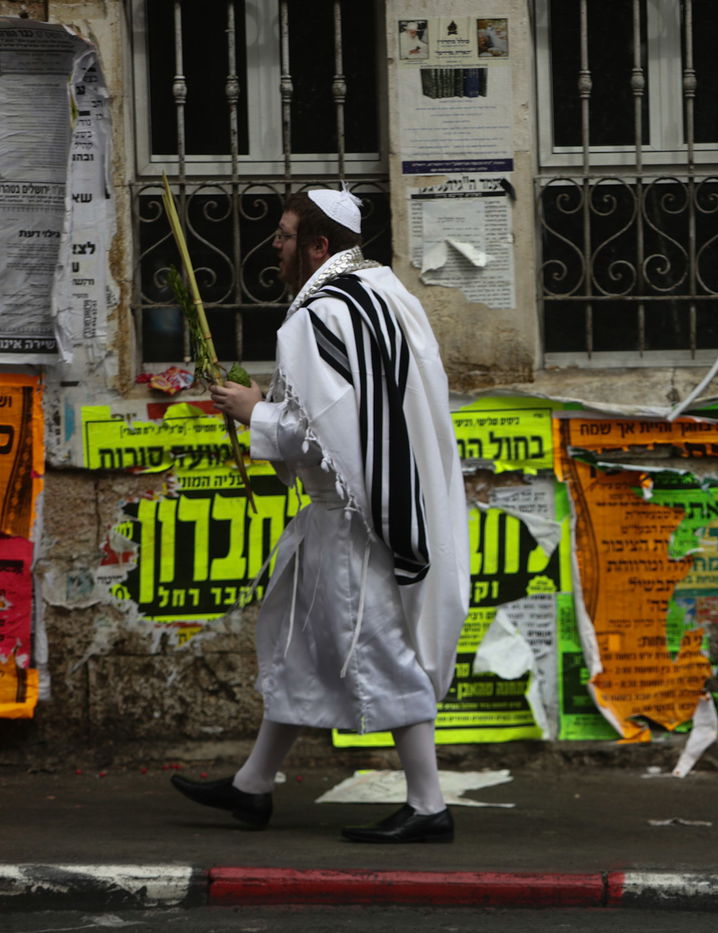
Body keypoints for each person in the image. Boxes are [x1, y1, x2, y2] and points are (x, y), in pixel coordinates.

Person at [172, 188, 471, 844]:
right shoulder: (384, 294)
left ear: (318, 245)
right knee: (300, 649)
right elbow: (363, 414)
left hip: (355, 521)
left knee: (384, 651)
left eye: (284, 236)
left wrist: (255, 413)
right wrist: (267, 407)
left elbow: (326, 433)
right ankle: (253, 784)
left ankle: (428, 804)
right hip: (375, 506)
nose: (274, 247)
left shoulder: (320, 314)